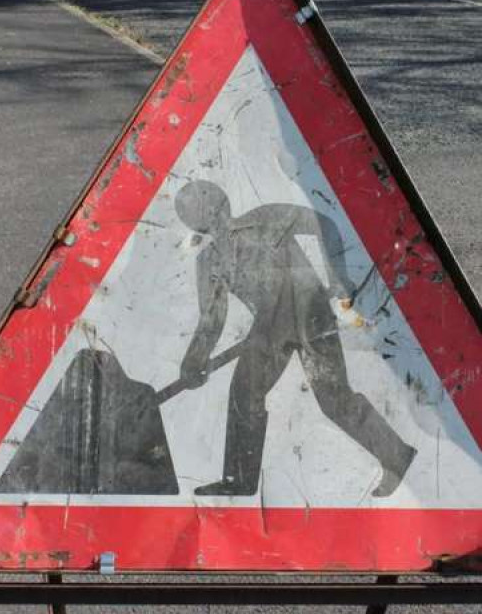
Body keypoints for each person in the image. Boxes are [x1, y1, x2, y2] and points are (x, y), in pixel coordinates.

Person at [174, 180, 416, 497]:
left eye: (212, 203)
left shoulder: (267, 216)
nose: (210, 212)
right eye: (198, 210)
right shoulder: (208, 262)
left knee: (334, 400)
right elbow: (212, 317)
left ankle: (395, 454)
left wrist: (338, 279)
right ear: (192, 221)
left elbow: (324, 224)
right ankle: (238, 481)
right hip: (270, 324)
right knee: (244, 395)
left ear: (224, 202)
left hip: (310, 310)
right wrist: (194, 359)